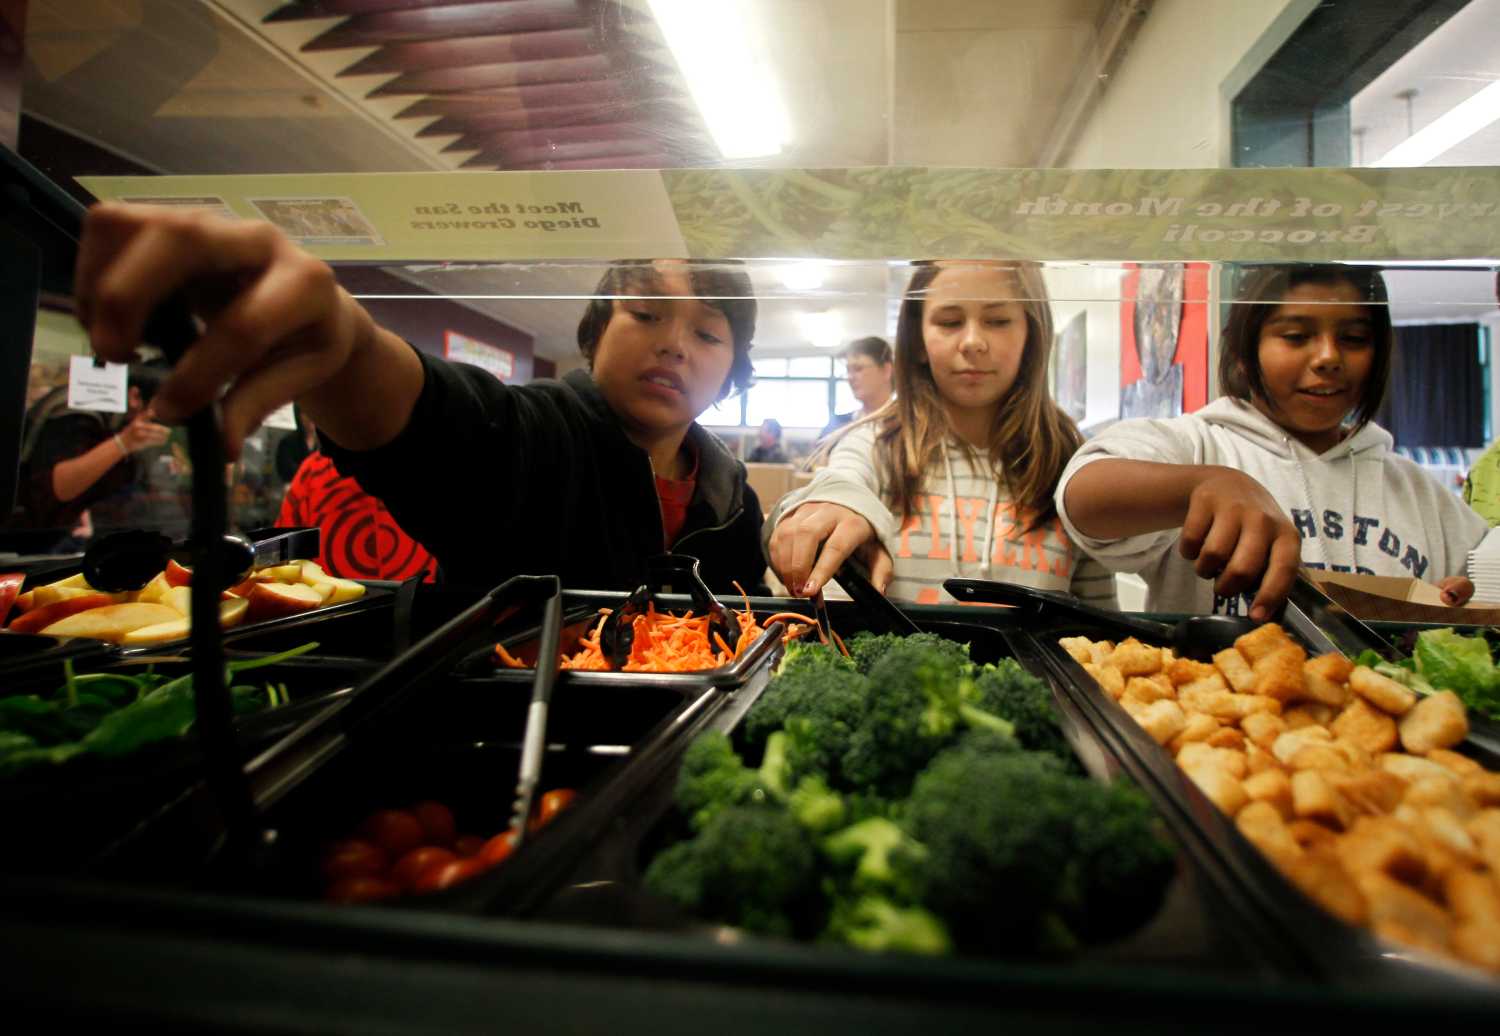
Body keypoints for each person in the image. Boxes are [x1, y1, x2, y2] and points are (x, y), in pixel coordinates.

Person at [72, 203, 768, 595]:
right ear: (594, 333)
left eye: (707, 333)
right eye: (645, 315)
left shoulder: (730, 495)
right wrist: (340, 341)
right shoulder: (534, 430)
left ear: (733, 369)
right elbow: (434, 415)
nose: (675, 345)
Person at [1057, 263, 1491, 621]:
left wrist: (1459, 603)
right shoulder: (1201, 444)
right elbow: (1083, 494)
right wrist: (1204, 484)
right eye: (1296, 336)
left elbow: (1478, 589)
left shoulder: (1418, 491)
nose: (1328, 358)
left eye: (1354, 339)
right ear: (1246, 354)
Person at [767, 261, 1117, 607]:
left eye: (998, 321)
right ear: (918, 339)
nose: (973, 342)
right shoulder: (875, 445)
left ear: (1031, 333)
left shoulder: (1070, 461)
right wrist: (835, 503)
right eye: (949, 322)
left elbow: (1101, 628)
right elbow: (842, 480)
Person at [15, 364, 173, 542]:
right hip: (25, 539)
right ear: (134, 396)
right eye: (165, 402)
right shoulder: (77, 414)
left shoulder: (116, 422)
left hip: (64, 533)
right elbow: (56, 486)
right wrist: (124, 442)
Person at [277, 447, 438, 583]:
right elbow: (280, 568)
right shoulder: (311, 476)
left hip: (429, 611)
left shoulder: (439, 459)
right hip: (334, 613)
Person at [820, 335, 894, 438]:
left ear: (886, 370)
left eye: (858, 368)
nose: (850, 377)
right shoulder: (836, 425)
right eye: (848, 371)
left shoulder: (907, 425)